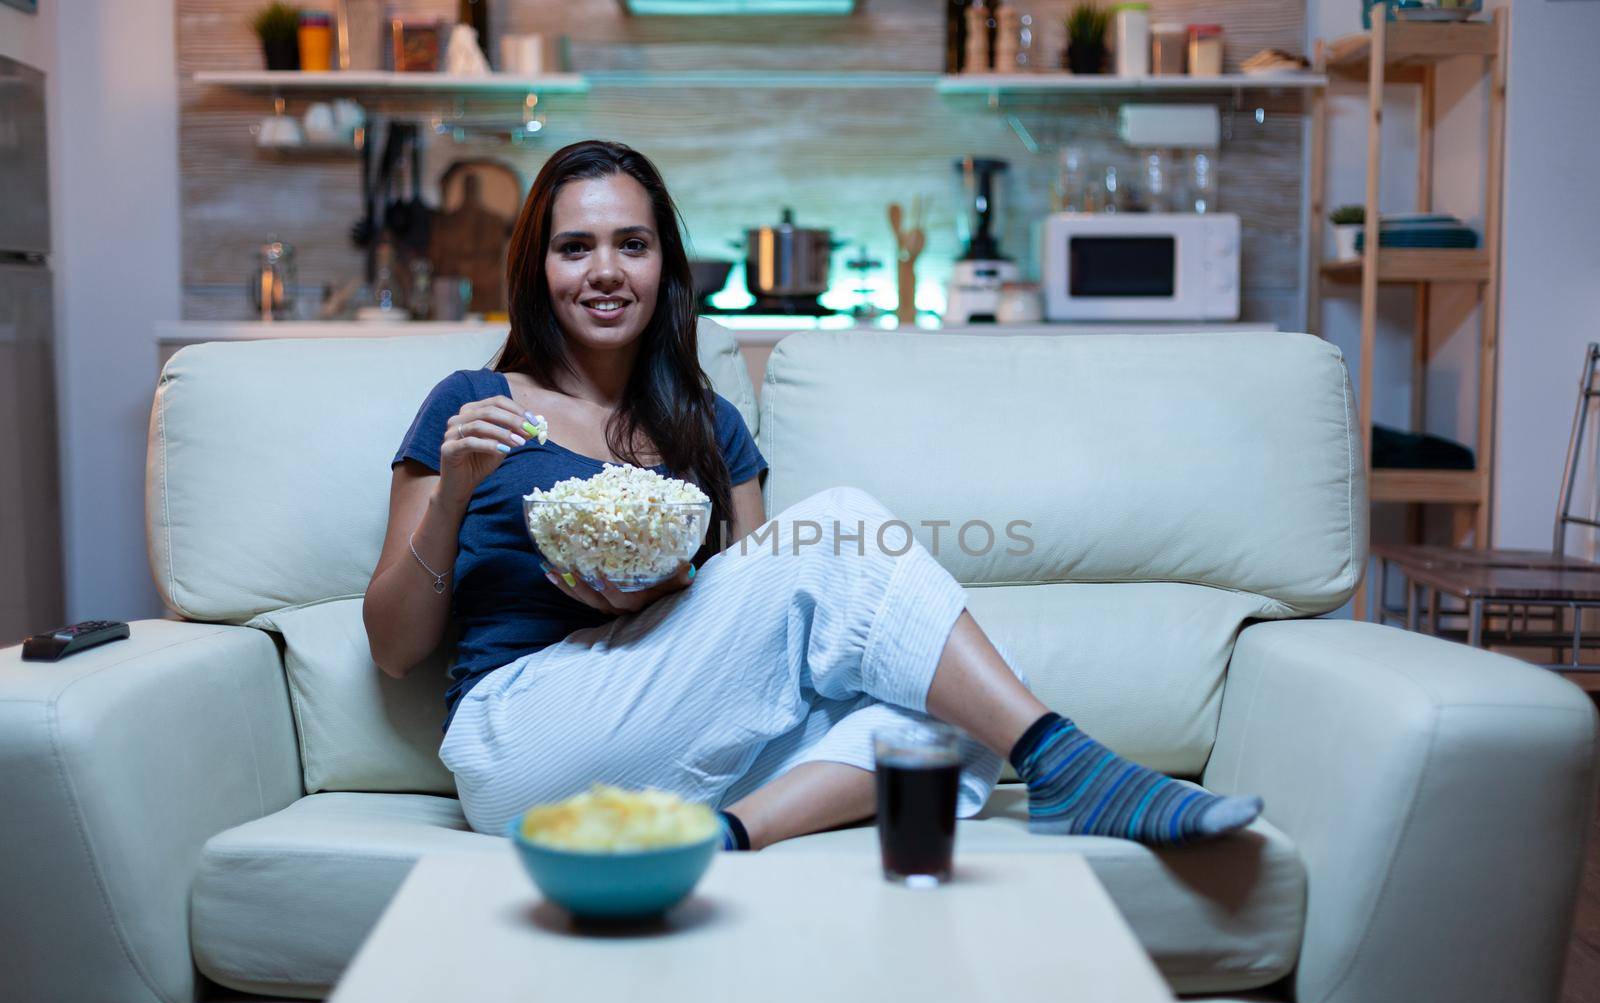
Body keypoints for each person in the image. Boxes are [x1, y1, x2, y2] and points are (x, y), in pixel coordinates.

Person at [364, 139, 1263, 851]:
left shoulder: (709, 427)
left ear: (664, 265)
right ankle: (1071, 763)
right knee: (839, 529)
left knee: (968, 689)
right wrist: (452, 502)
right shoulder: (473, 408)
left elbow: (748, 623)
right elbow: (395, 647)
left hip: (685, 748)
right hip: (527, 739)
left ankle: (729, 834)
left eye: (631, 245)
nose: (605, 270)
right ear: (539, 267)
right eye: (576, 247)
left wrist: (662, 589)